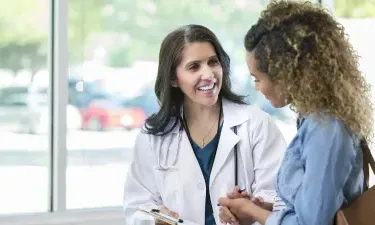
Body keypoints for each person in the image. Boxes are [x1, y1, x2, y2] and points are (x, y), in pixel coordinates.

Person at [218, 1, 374, 225]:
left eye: (258, 78)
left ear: (287, 76)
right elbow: (318, 206)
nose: (257, 87)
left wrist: (252, 212)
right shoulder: (314, 120)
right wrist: (262, 208)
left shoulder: (326, 130)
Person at [123, 24, 287, 225]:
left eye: (213, 62)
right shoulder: (153, 135)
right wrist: (155, 220)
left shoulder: (256, 124)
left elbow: (281, 198)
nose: (209, 74)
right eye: (194, 67)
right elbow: (136, 206)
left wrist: (252, 207)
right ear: (174, 78)